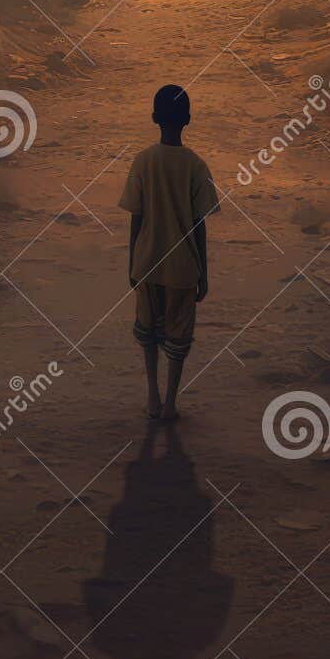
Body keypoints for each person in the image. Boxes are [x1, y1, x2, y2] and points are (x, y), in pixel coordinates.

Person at [119, 84, 219, 421]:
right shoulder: (196, 165)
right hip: (182, 267)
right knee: (178, 337)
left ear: (154, 118)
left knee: (147, 330)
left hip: (147, 262)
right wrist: (203, 271)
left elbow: (137, 217)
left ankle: (152, 395)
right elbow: (198, 224)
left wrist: (132, 262)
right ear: (188, 119)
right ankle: (172, 403)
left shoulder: (143, 161)